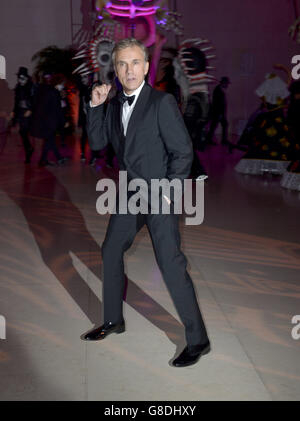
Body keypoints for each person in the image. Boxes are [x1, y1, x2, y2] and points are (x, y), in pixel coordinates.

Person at [84, 38, 210, 368]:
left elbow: (183, 152)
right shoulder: (111, 104)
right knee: (110, 249)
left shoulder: (161, 102)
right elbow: (97, 143)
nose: (129, 70)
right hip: (129, 191)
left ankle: (198, 339)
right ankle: (113, 320)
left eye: (135, 63)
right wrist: (95, 106)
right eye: (122, 64)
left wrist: (169, 191)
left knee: (170, 263)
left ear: (146, 66)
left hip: (159, 192)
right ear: (116, 68)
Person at [30, 72, 67, 167]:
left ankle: (47, 159)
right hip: (49, 122)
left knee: (49, 141)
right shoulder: (53, 93)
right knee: (50, 140)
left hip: (46, 121)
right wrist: (63, 121)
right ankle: (55, 159)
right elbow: (57, 109)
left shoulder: (49, 91)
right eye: (62, 84)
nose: (63, 86)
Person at [12, 67, 35, 163]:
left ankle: (29, 151)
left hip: (29, 113)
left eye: (22, 78)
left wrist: (30, 109)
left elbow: (35, 100)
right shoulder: (18, 87)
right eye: (19, 78)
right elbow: (17, 101)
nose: (20, 80)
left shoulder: (31, 87)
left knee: (26, 131)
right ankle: (28, 150)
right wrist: (14, 111)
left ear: (26, 78)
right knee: (22, 132)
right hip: (21, 112)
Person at [207, 76, 230, 145]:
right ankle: (223, 140)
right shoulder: (218, 91)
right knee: (218, 125)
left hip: (217, 112)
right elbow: (217, 103)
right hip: (217, 112)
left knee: (215, 126)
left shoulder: (218, 90)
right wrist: (220, 114)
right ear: (223, 83)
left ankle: (209, 140)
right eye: (226, 84)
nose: (227, 85)